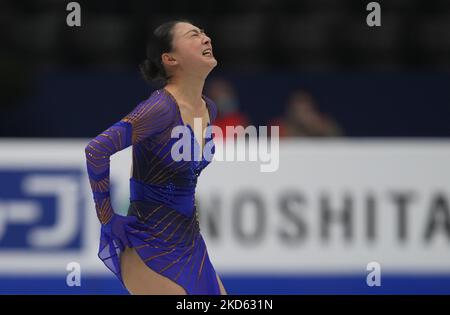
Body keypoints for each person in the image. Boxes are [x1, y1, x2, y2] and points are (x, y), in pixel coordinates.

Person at [84, 20, 227, 295]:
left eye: (204, 32)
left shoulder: (209, 108)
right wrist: (107, 217)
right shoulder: (159, 108)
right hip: (147, 245)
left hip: (190, 244)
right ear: (170, 58)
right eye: (194, 35)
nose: (206, 38)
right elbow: (96, 150)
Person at [269, 89, 343, 137]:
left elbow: (339, 142)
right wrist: (302, 129)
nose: (301, 112)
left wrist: (319, 130)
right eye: (298, 107)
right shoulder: (279, 126)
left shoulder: (322, 124)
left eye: (306, 108)